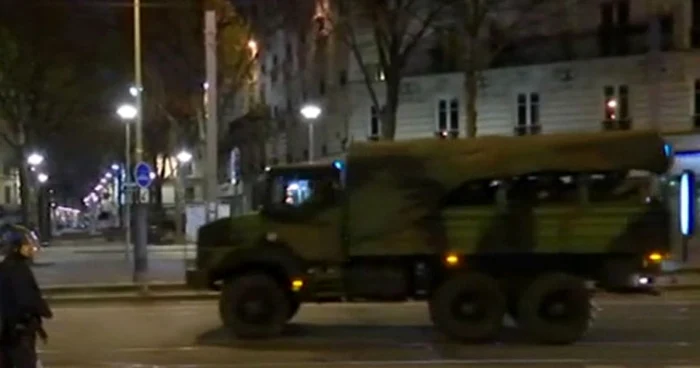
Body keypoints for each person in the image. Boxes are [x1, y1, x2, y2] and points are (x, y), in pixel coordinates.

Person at [0, 225, 52, 368]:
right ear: (15, 247)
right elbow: (25, 299)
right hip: (17, 332)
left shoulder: (11, 267)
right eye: (26, 244)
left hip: (12, 331)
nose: (31, 248)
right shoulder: (15, 269)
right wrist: (38, 311)